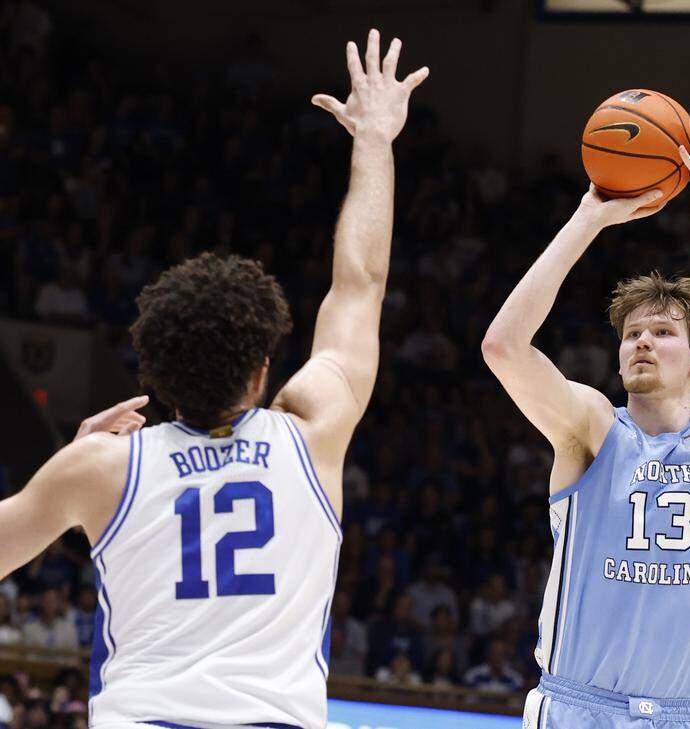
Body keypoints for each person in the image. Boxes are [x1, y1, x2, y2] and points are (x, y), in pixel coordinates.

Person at [0, 29, 428, 728]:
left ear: (157, 375)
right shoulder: (312, 429)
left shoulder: (101, 466)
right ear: (262, 372)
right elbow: (361, 281)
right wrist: (375, 140)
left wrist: (69, 463)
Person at [484, 108, 690, 728]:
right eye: (632, 332)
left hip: (684, 715)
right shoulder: (590, 427)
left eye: (661, 331)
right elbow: (503, 347)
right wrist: (589, 217)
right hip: (577, 708)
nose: (641, 341)